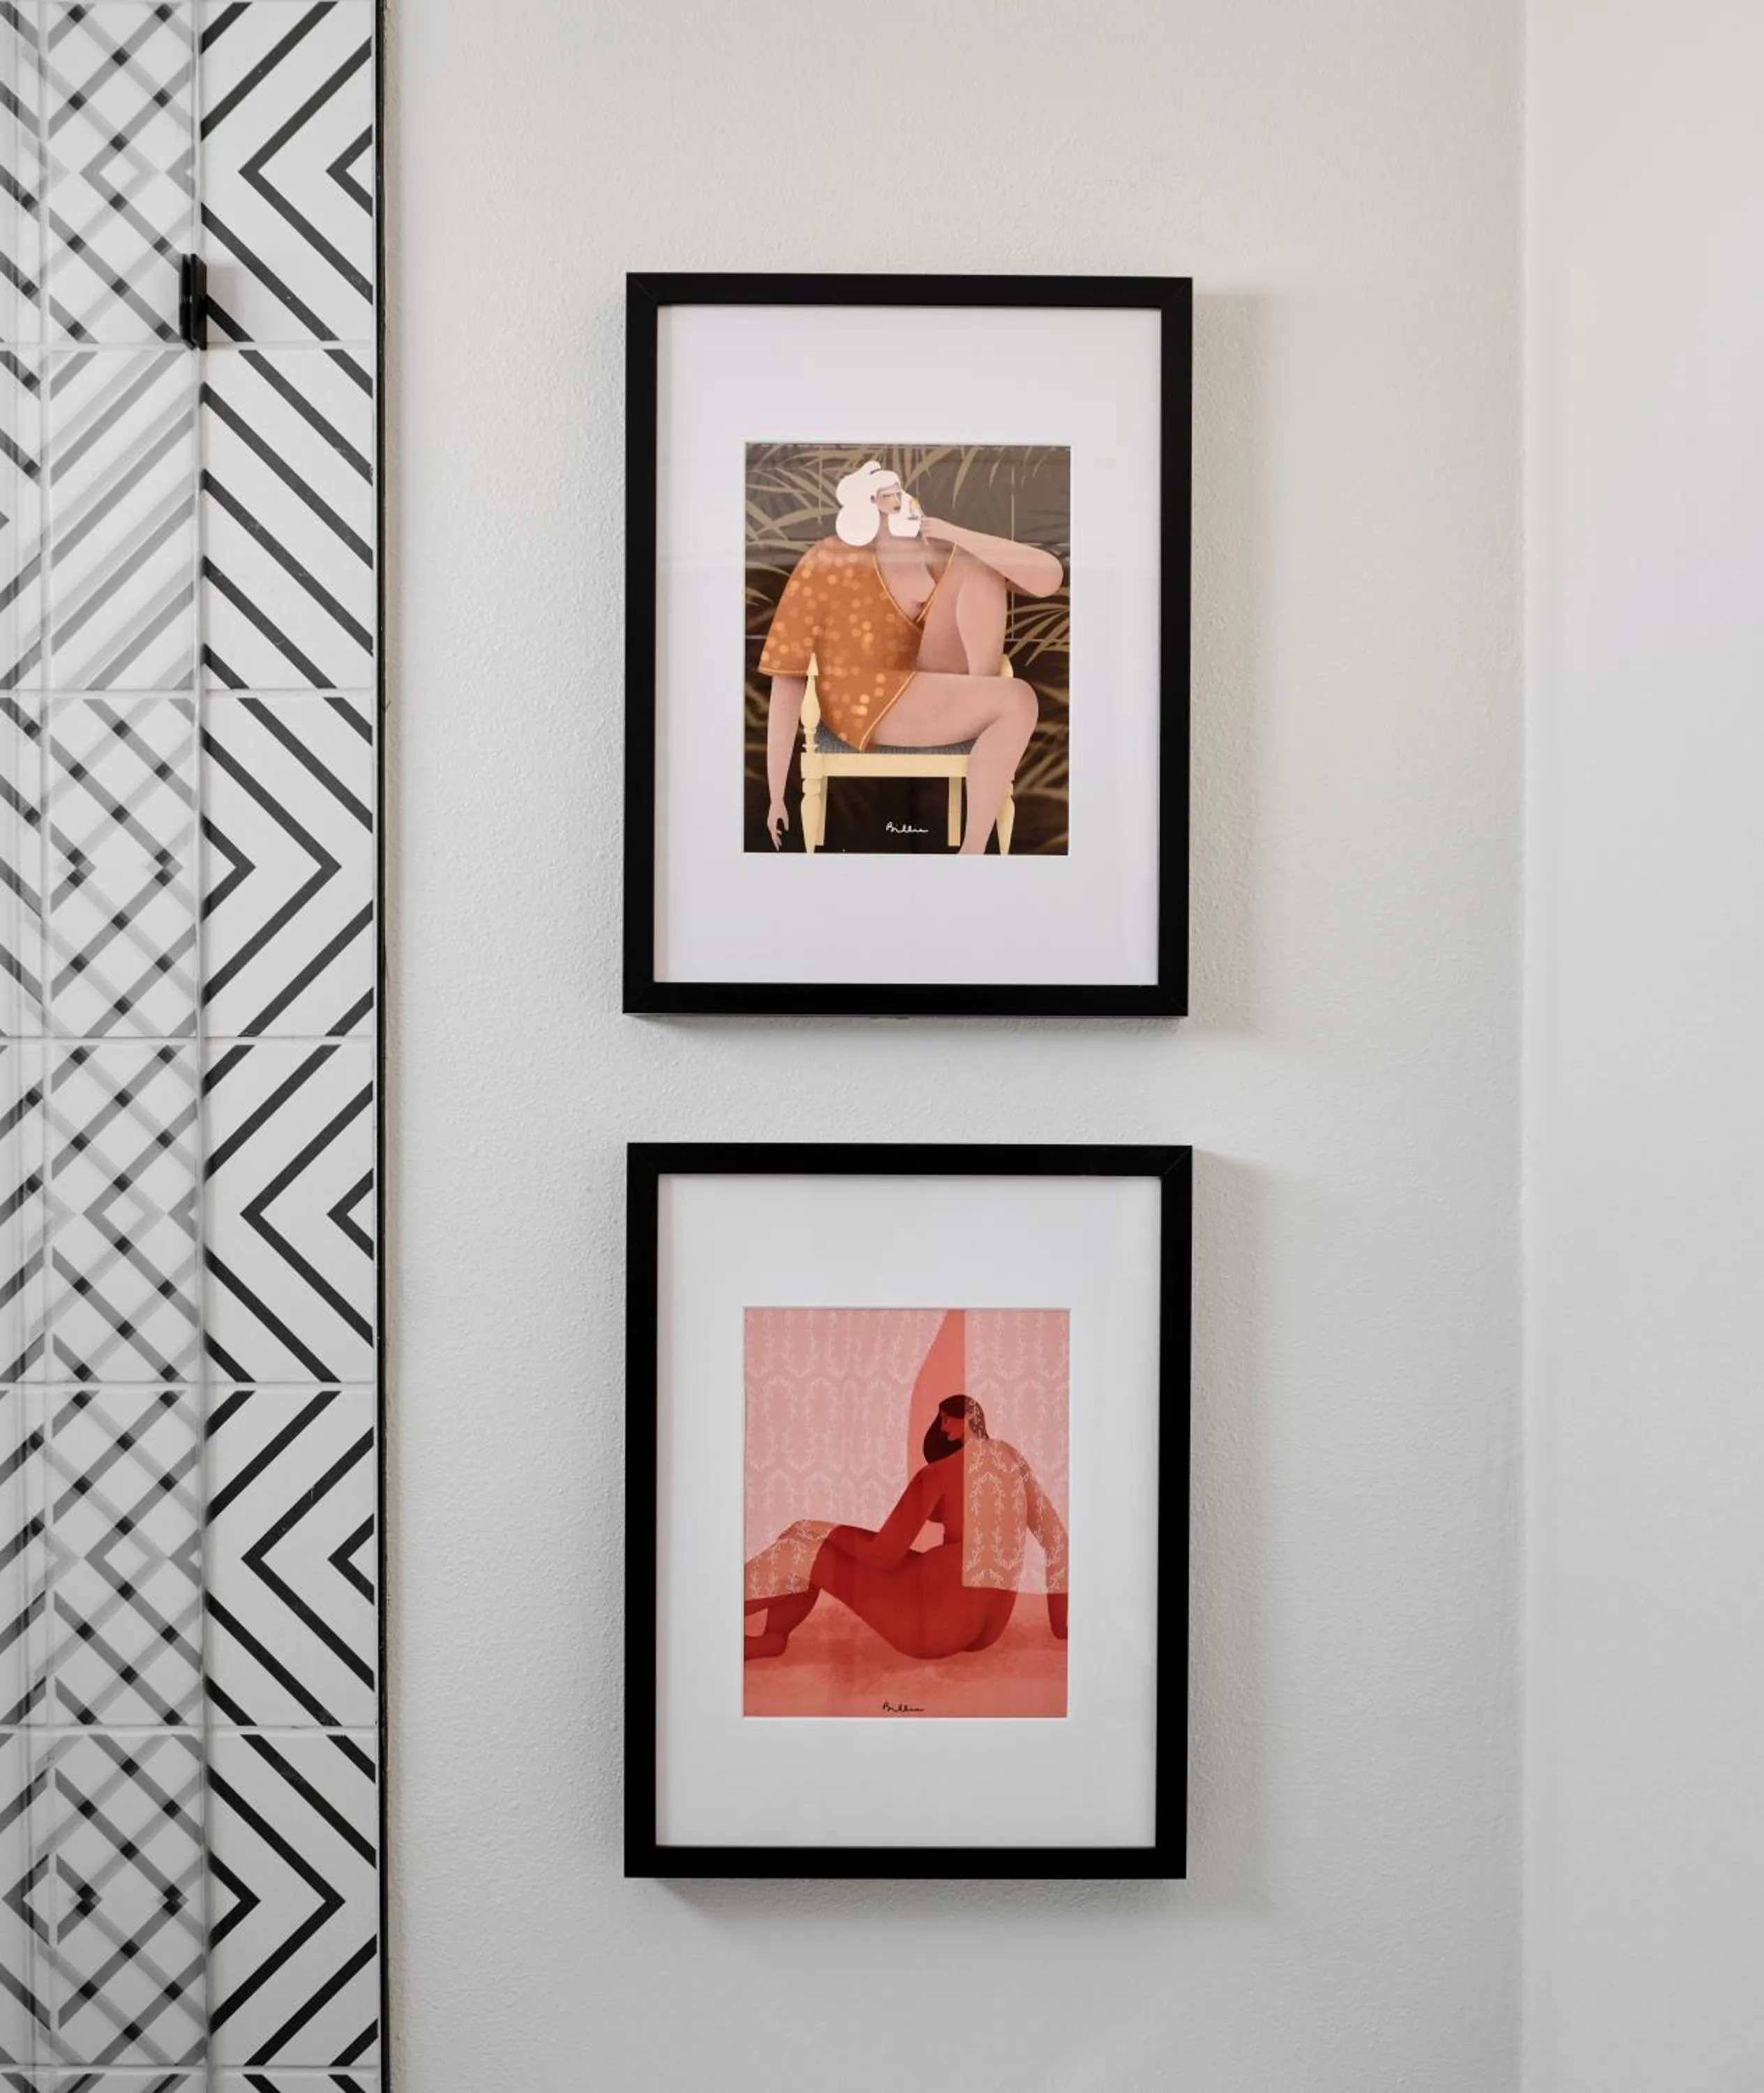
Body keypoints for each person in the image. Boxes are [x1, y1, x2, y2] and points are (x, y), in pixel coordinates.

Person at [758, 461, 1063, 855]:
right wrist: (775, 794)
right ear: (866, 505)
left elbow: (1049, 576)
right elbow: (788, 677)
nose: (901, 499)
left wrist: (954, 533)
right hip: (866, 701)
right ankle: (972, 853)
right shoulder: (827, 560)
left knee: (976, 561)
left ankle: (983, 704)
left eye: (900, 491)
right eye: (889, 494)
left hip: (926, 679)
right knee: (1018, 699)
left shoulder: (932, 547)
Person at [743, 1394, 1069, 1662]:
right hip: (989, 1627)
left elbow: (882, 1556)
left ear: (962, 1422)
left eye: (945, 1419)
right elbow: (1057, 1542)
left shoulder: (937, 1475)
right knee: (813, 1546)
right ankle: (772, 1639)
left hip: (931, 1624)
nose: (942, 1426)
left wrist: (817, 1528)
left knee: (800, 1549)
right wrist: (1061, 1627)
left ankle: (718, 1616)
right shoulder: (1013, 1461)